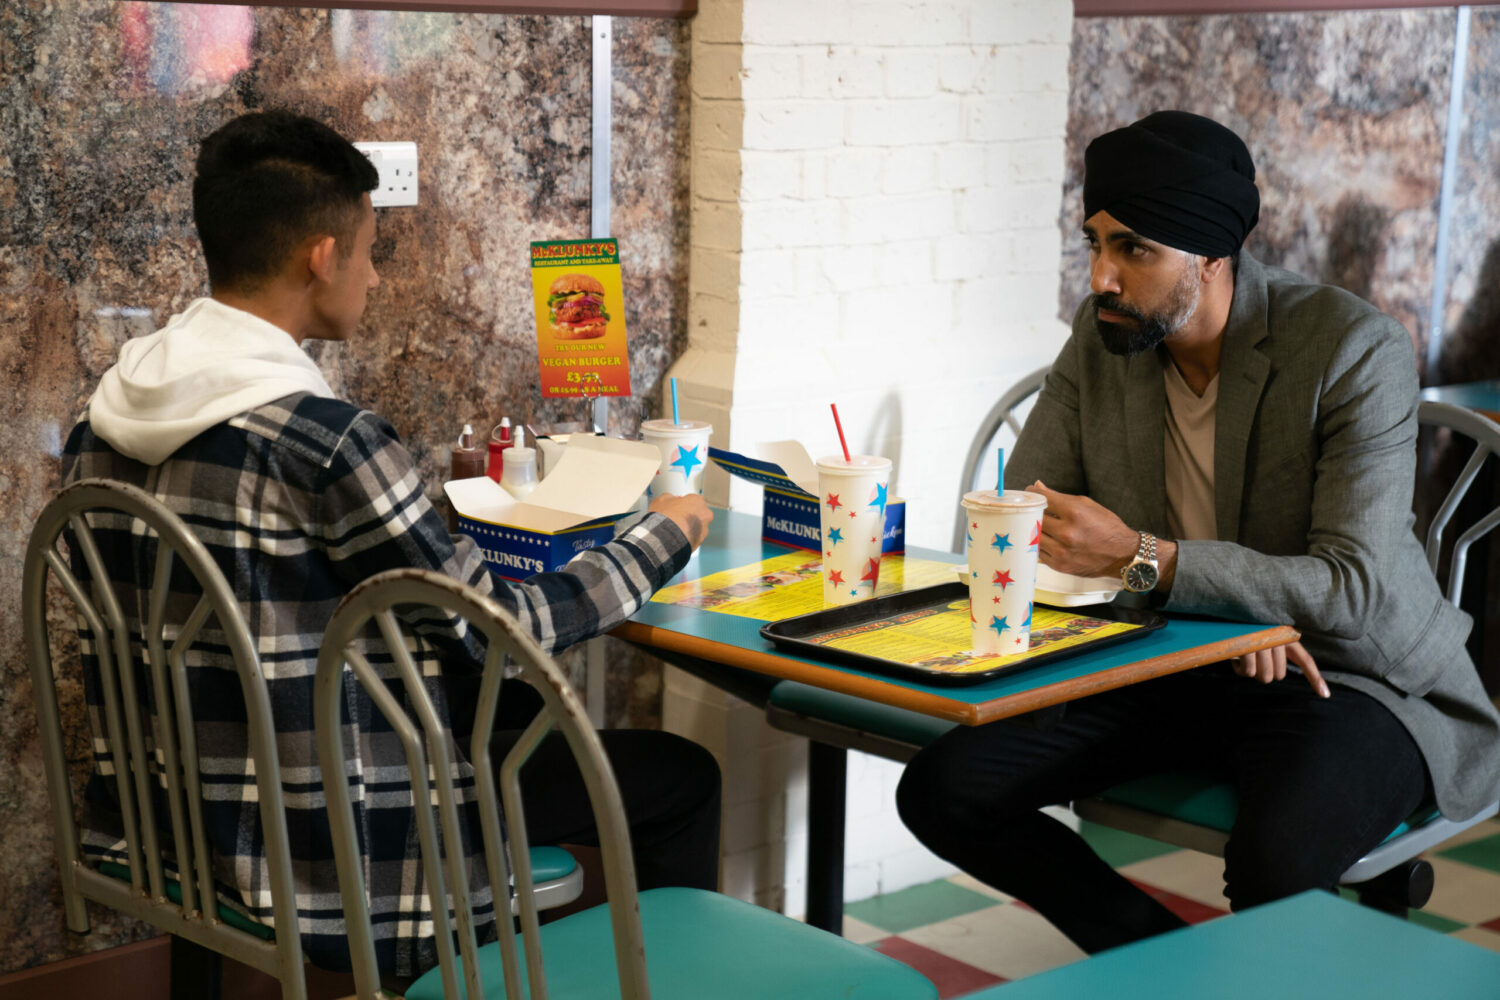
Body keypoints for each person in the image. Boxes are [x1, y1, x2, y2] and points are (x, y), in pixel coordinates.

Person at [60, 109, 720, 979]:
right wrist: (659, 537)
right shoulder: (329, 443)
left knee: (511, 720)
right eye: (370, 251)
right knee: (679, 775)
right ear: (322, 256)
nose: (374, 277)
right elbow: (498, 631)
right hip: (337, 839)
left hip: (170, 818)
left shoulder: (100, 420)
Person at [897, 110, 1500, 954]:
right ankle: (1159, 967)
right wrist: (1211, 616)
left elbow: (1354, 589)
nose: (1102, 276)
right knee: (943, 789)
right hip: (1177, 649)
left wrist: (1151, 561)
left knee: (1276, 858)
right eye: (1094, 242)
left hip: (1354, 673)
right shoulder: (1103, 333)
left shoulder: (1351, 348)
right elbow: (1033, 516)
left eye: (1134, 249)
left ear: (1213, 255)